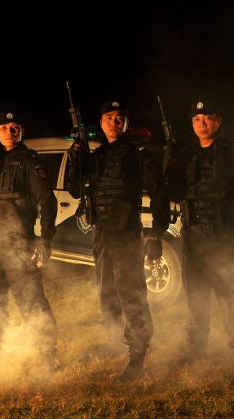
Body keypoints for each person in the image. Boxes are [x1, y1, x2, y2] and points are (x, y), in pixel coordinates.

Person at [165, 100, 234, 388]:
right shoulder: (186, 155)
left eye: (208, 118)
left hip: (221, 237)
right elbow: (173, 192)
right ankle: (197, 349)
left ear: (218, 121)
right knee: (195, 297)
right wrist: (169, 164)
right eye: (197, 119)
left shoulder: (233, 152)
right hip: (191, 237)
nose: (202, 124)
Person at [66, 101, 171, 381]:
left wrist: (157, 233)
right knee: (106, 290)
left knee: (131, 292)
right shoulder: (96, 156)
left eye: (120, 118)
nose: (114, 122)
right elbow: (74, 189)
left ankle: (138, 355)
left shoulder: (137, 154)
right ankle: (114, 341)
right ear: (101, 123)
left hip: (125, 233)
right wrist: (76, 156)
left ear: (126, 123)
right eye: (109, 118)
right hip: (101, 233)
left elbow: (159, 193)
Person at [0, 111, 60, 373]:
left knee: (30, 297)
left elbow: (47, 200)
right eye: (4, 128)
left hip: (20, 240)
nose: (10, 132)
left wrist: (45, 239)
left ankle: (48, 356)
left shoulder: (29, 160)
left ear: (22, 131)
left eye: (15, 127)